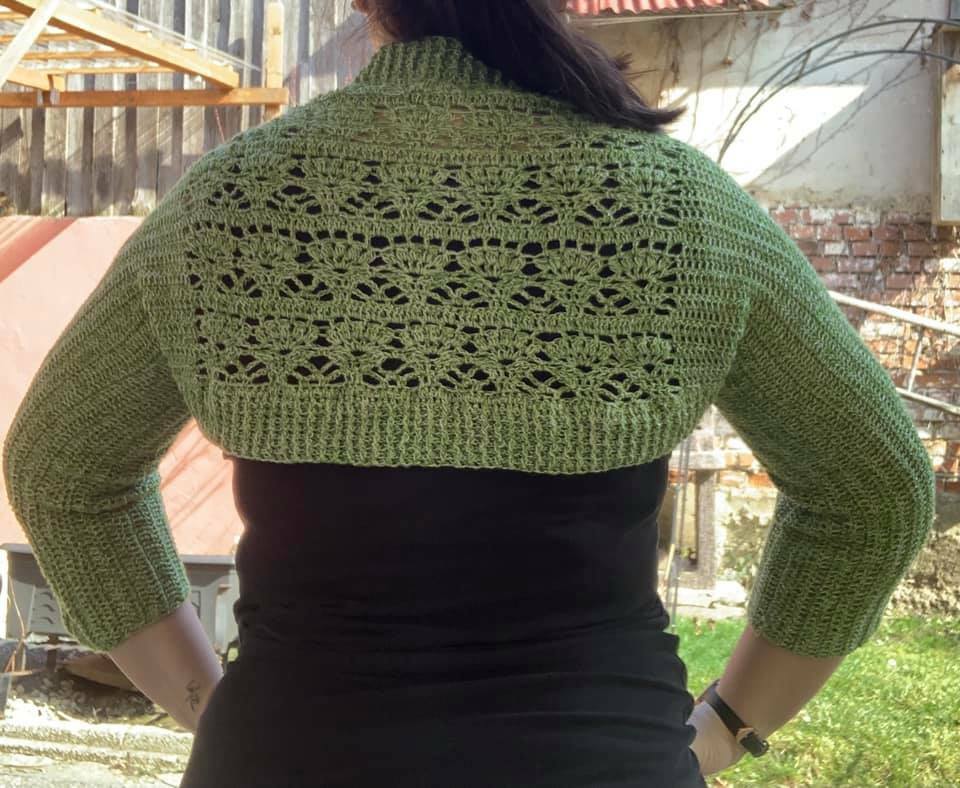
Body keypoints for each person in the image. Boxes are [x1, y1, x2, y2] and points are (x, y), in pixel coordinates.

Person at [1, 1, 935, 786]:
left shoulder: (230, 202)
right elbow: (874, 491)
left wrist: (212, 703)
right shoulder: (682, 210)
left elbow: (60, 471)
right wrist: (727, 724)